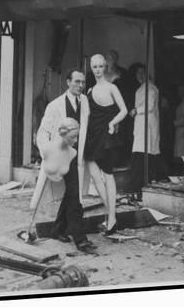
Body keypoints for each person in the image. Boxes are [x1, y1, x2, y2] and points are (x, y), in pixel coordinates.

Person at [31, 68, 96, 253]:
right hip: (61, 157)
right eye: (76, 82)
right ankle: (80, 239)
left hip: (77, 155)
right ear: (68, 82)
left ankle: (58, 229)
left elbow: (86, 126)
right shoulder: (55, 105)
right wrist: (47, 153)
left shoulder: (84, 101)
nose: (80, 86)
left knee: (72, 194)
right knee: (75, 196)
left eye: (83, 82)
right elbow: (42, 132)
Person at [84, 54, 128, 235]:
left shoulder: (112, 87)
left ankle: (112, 218)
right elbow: (87, 117)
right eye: (94, 66)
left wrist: (112, 123)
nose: (97, 70)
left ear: (105, 67)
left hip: (107, 137)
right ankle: (110, 214)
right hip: (92, 137)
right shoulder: (88, 91)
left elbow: (124, 110)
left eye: (101, 66)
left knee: (108, 175)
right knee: (95, 176)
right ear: (91, 68)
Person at [129, 64, 163, 195]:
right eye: (138, 73)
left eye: (142, 73)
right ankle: (137, 188)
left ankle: (140, 188)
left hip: (147, 128)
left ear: (147, 74)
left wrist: (136, 110)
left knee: (145, 157)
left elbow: (150, 106)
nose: (140, 75)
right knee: (140, 156)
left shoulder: (151, 88)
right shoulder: (141, 89)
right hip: (141, 127)